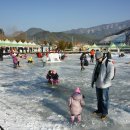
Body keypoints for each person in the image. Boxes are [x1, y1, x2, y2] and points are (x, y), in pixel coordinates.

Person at [91, 51, 115, 120]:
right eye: (96, 59)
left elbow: (111, 74)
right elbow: (95, 73)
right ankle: (99, 110)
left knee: (104, 99)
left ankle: (104, 113)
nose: (97, 60)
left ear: (102, 57)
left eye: (98, 59)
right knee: (99, 99)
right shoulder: (98, 63)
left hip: (104, 85)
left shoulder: (108, 63)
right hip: (98, 84)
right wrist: (93, 81)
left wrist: (105, 82)